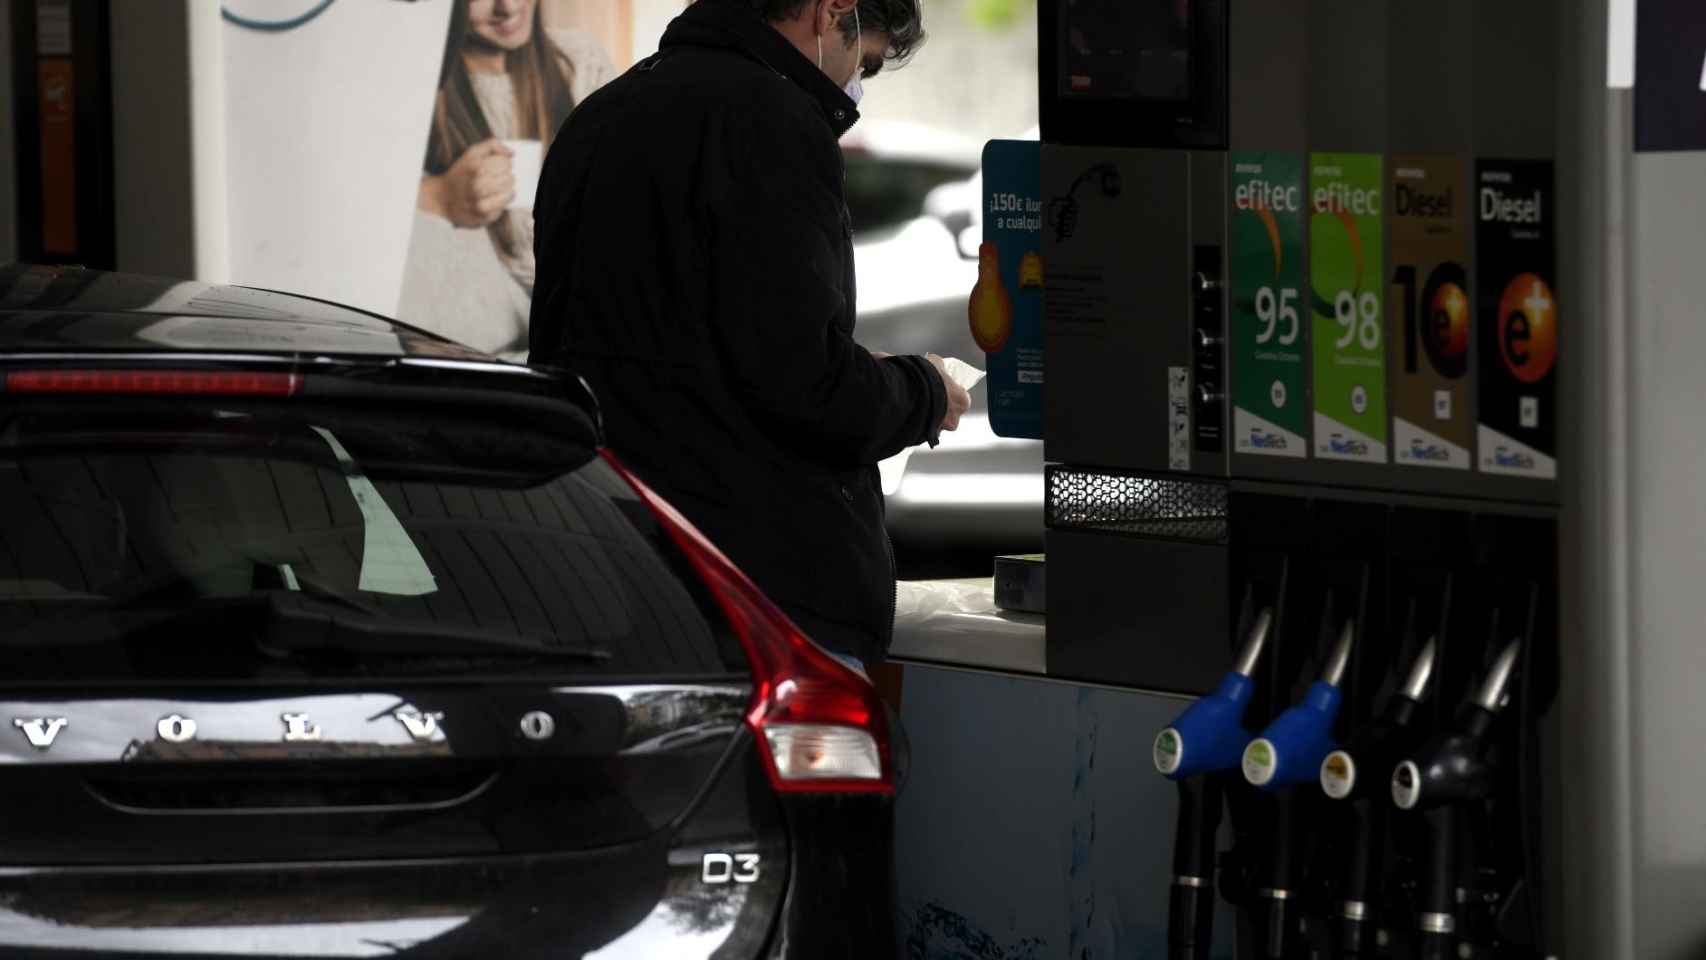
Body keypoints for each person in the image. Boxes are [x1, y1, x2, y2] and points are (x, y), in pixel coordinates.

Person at [529, 0, 970, 675]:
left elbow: (672, 345)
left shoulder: (600, 116)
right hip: (757, 598)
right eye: (866, 63)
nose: (854, 82)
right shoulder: (777, 121)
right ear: (831, 13)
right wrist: (923, 391)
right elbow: (804, 386)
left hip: (611, 568)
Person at [399, 0, 616, 360]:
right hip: (482, 350)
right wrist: (438, 199)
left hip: (581, 330)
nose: (508, 6)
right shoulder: (417, 85)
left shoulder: (579, 61)